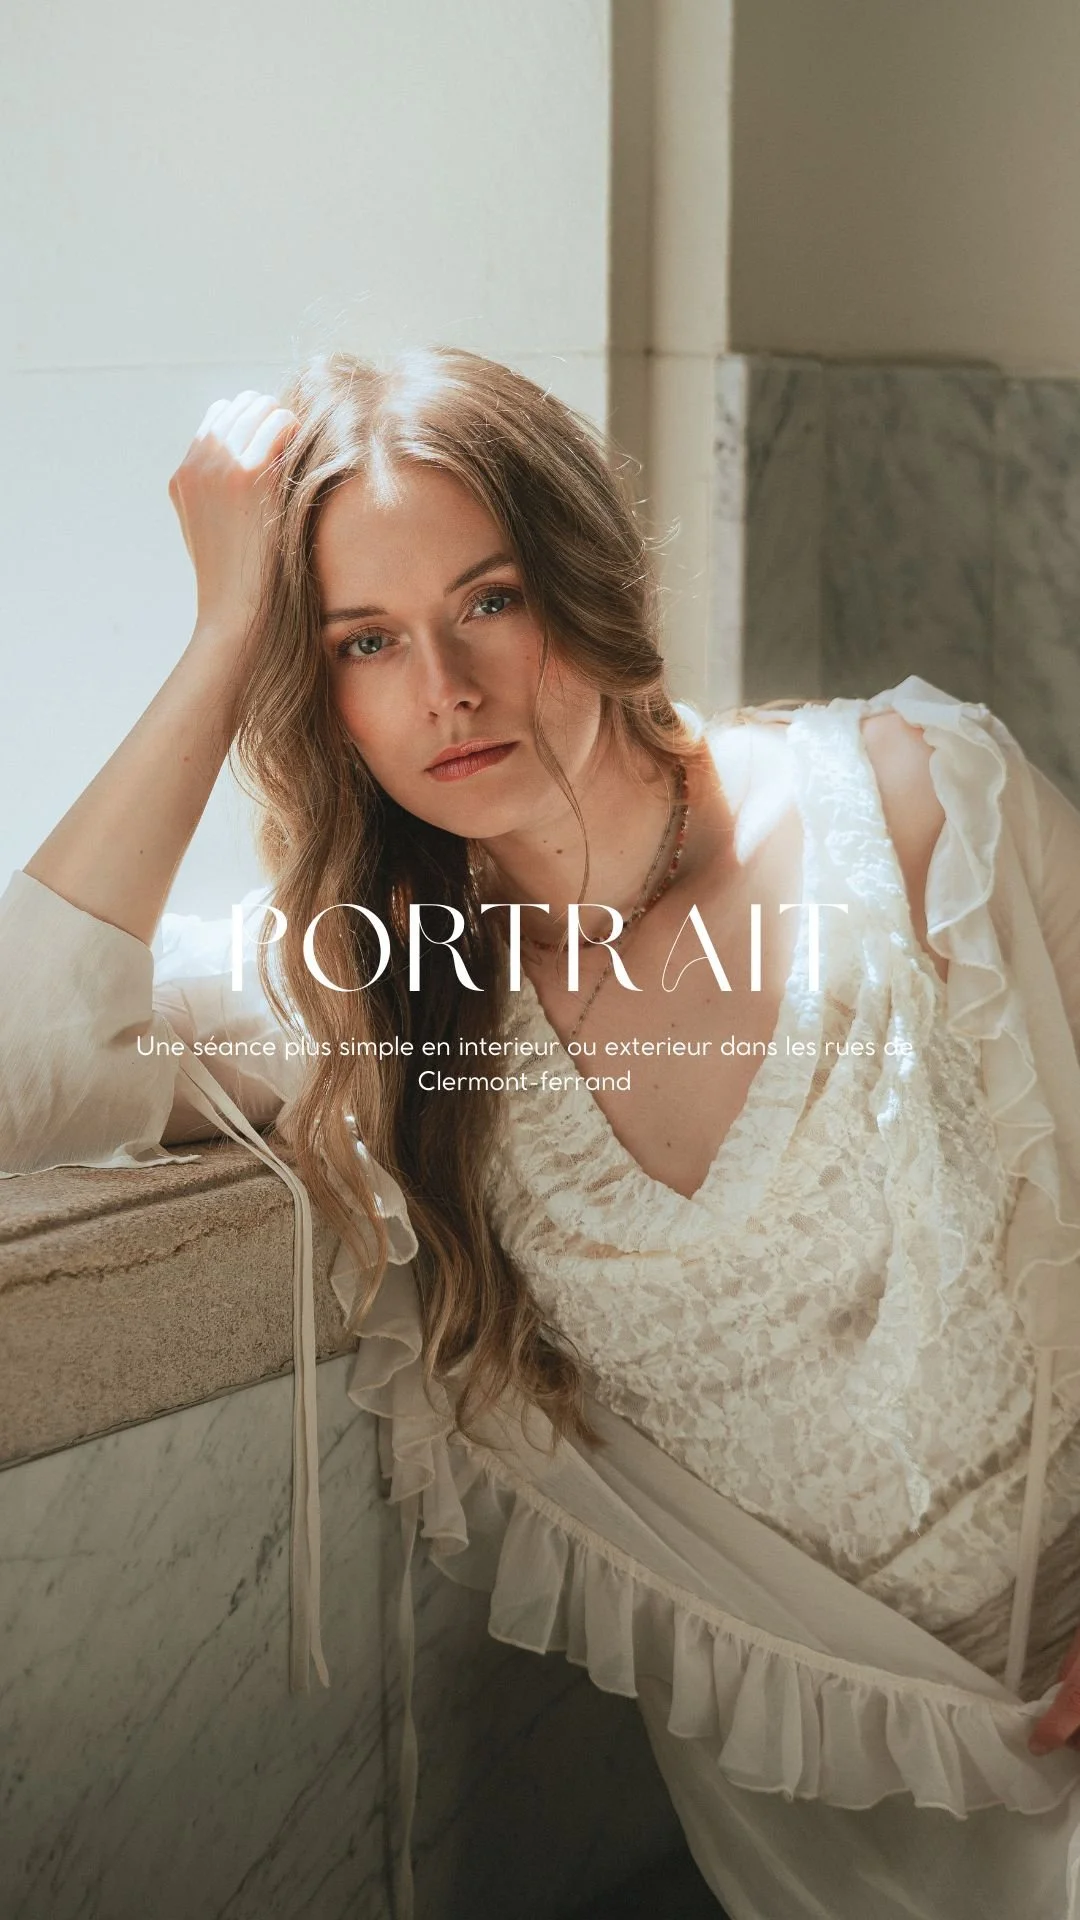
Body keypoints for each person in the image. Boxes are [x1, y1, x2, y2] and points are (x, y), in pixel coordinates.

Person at [2, 350, 1080, 1920]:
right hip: (848, 1816)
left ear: (588, 576)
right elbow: (23, 1068)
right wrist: (225, 631)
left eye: (489, 600)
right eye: (365, 642)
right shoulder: (375, 988)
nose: (443, 688)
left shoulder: (921, 811)